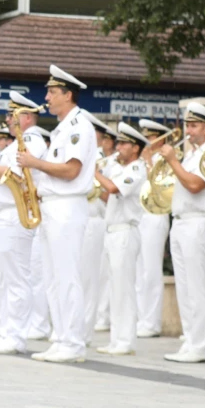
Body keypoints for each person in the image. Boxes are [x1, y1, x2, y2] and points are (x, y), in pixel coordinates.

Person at [18, 65, 98, 364]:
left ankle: (73, 342)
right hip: (52, 206)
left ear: (68, 94)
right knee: (52, 278)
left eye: (52, 92)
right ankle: (61, 337)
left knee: (66, 277)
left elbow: (71, 170)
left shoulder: (79, 126)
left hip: (67, 206)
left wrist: (34, 163)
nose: (47, 97)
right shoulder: (63, 127)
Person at [0, 91, 47, 354]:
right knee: (6, 281)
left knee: (16, 280)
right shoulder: (18, 141)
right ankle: (8, 332)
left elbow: (15, 176)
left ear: (26, 117)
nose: (6, 119)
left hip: (12, 214)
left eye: (11, 114)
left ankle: (15, 336)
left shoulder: (31, 140)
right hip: (1, 216)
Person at [160, 102, 205, 364]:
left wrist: (172, 160)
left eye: (194, 126)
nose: (189, 131)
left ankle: (201, 345)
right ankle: (190, 340)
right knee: (184, 287)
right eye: (188, 125)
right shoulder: (192, 155)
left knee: (197, 286)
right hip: (181, 222)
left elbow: (194, 185)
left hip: (198, 222)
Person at [94, 122, 149, 355]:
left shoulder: (136, 169)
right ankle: (117, 339)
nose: (119, 146)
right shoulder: (120, 168)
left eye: (124, 143)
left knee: (124, 288)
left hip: (126, 231)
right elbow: (108, 197)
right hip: (113, 230)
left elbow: (115, 189)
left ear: (135, 148)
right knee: (115, 288)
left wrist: (93, 172)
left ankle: (126, 341)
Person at [135, 119, 173, 339]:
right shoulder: (143, 160)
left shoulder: (166, 160)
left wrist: (149, 162)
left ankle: (152, 321)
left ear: (160, 139)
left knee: (151, 270)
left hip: (156, 215)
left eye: (150, 138)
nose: (146, 142)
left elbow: (159, 188)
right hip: (140, 216)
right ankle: (143, 318)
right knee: (140, 271)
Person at [81, 111, 117, 344]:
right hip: (77, 219)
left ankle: (85, 329)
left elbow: (111, 195)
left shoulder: (106, 163)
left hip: (96, 220)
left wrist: (93, 179)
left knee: (90, 279)